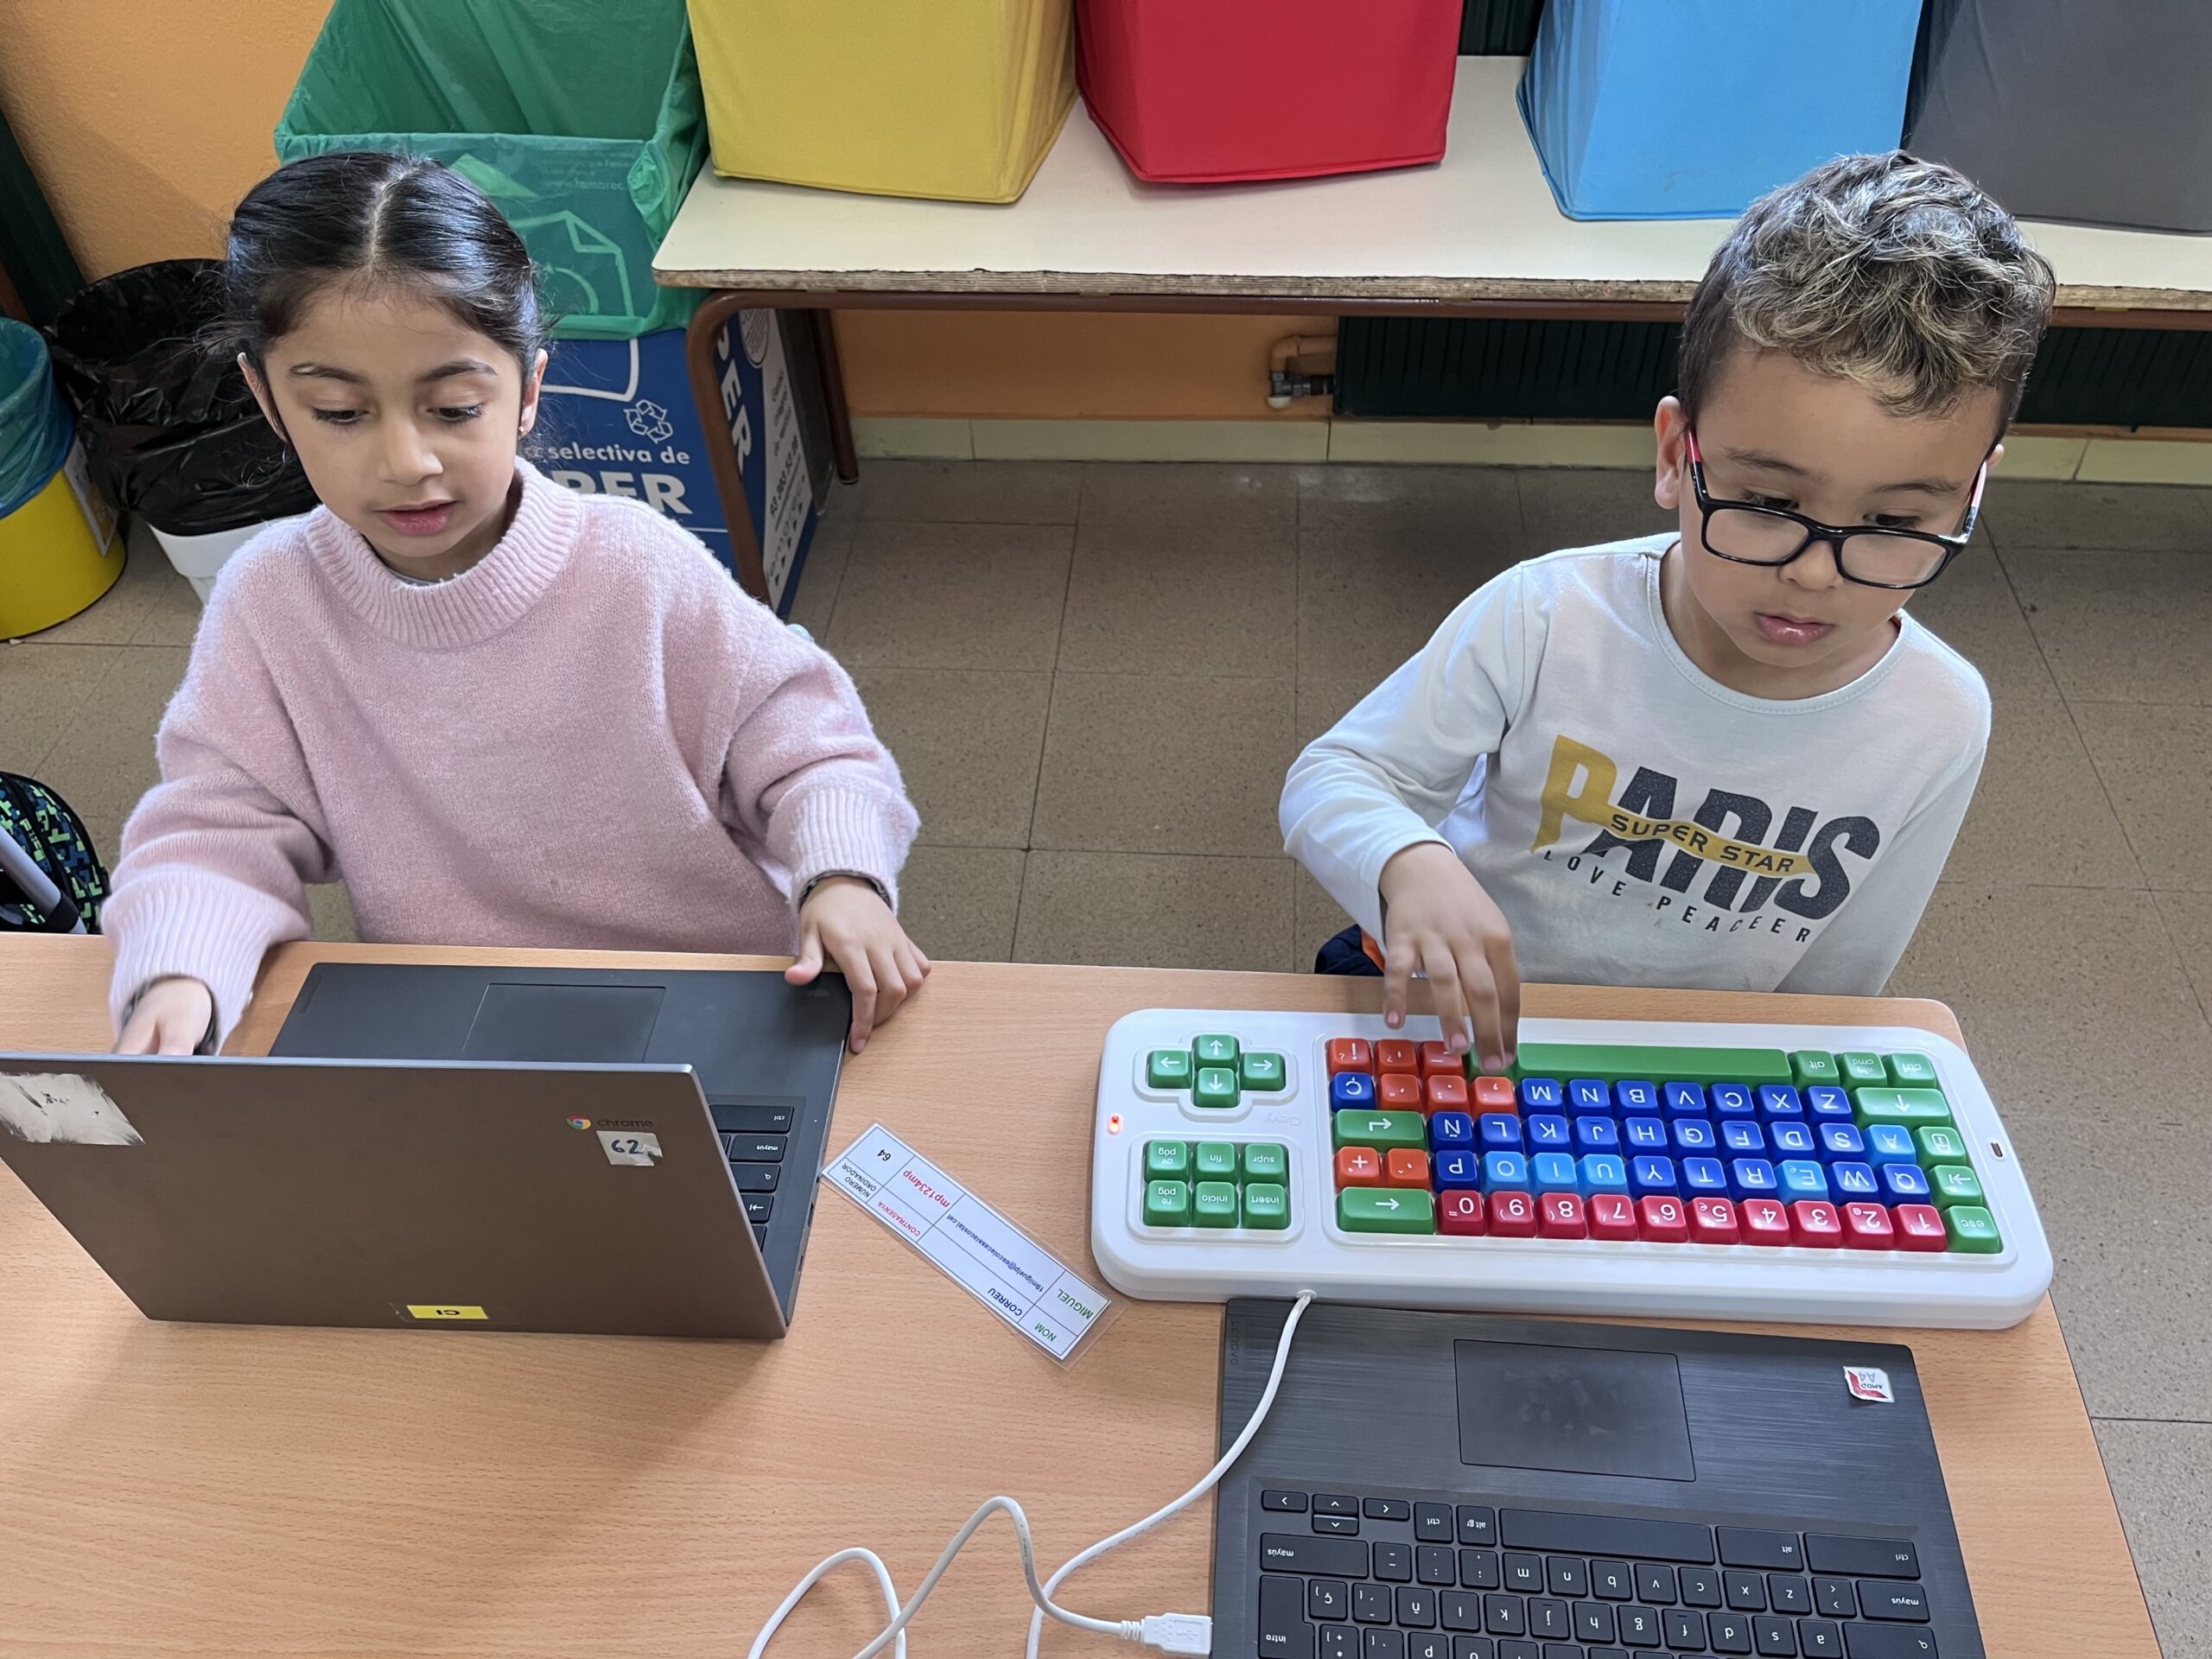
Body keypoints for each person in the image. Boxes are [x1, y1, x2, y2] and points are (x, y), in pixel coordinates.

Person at [107, 152, 925, 1057]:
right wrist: (181, 969)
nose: (407, 462)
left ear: (529, 389)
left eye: (455, 407)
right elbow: (218, 825)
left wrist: (841, 877)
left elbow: (815, 750)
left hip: (709, 995)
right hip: (457, 1021)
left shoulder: (637, 565)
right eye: (340, 413)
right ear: (268, 400)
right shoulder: (270, 601)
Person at [1281, 152, 2054, 1074]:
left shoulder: (1940, 719)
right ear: (1674, 455)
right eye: (1766, 503)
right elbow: (1335, 778)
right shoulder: (1546, 616)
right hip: (1451, 1009)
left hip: (1681, 1064)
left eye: (1894, 523)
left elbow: (1842, 982)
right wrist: (1407, 862)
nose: (1815, 575)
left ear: (1972, 493)